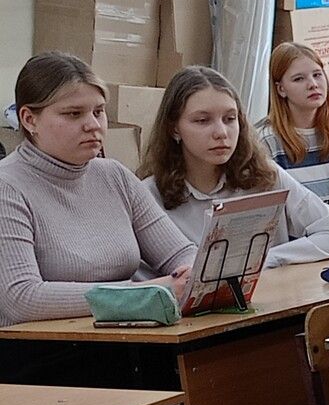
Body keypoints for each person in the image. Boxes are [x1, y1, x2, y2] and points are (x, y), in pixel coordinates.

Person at [0, 51, 192, 324]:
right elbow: (22, 299)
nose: (93, 125)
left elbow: (181, 252)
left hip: (128, 337)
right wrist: (143, 292)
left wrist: (190, 274)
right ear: (29, 120)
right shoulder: (7, 187)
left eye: (98, 112)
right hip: (45, 346)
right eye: (73, 114)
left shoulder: (114, 176)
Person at [142, 67, 329, 264]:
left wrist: (268, 259)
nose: (221, 132)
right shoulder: (148, 197)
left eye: (230, 119)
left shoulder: (265, 175)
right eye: (203, 120)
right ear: (174, 128)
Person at [259, 41, 329, 204]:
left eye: (317, 75)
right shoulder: (267, 141)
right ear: (281, 89)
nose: (313, 84)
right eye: (299, 79)